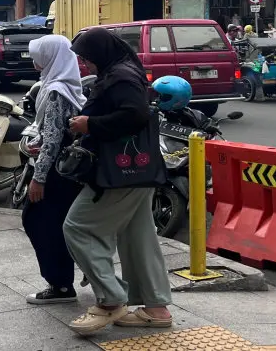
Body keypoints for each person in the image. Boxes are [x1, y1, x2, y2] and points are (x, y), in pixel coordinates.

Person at [63, 27, 173, 335]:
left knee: (77, 227)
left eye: (86, 58)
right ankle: (155, 308)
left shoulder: (120, 77)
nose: (84, 65)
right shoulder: (124, 70)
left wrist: (90, 124)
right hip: (138, 169)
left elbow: (135, 114)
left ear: (100, 54)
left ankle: (111, 299)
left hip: (119, 173)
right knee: (138, 238)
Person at [22, 35, 86, 305]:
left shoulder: (56, 91)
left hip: (57, 174)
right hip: (68, 171)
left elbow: (53, 138)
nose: (35, 62)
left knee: (38, 221)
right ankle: (77, 274)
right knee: (60, 224)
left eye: (38, 56)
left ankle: (60, 285)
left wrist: (39, 178)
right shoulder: (67, 84)